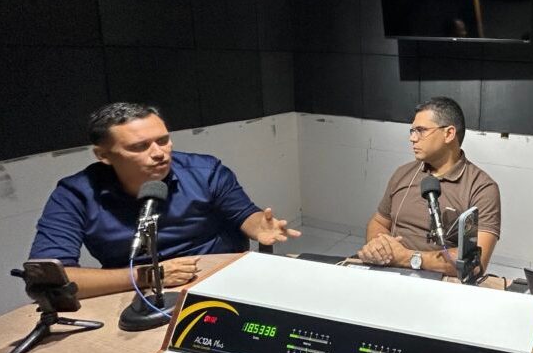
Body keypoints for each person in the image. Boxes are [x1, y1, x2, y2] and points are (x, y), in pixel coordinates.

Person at [29, 102, 300, 298]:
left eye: (163, 140)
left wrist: (259, 226)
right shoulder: (74, 195)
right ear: (103, 155)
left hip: (217, 279)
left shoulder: (205, 171)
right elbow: (51, 277)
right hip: (136, 292)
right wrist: (149, 275)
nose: (159, 153)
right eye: (140, 146)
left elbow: (244, 214)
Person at [357, 97, 501, 276]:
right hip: (388, 269)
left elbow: (475, 263)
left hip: (439, 280)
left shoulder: (482, 188)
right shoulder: (403, 174)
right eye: (412, 131)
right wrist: (378, 247)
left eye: (421, 130)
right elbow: (379, 222)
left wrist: (407, 258)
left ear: (449, 134)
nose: (412, 138)